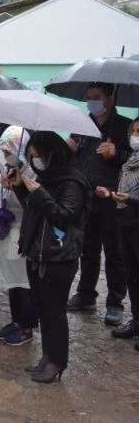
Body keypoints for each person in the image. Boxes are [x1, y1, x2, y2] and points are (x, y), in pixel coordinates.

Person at [10, 131, 89, 383]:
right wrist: (21, 189)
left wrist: (39, 193)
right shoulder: (47, 178)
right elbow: (35, 211)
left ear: (52, 154)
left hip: (58, 256)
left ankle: (57, 361)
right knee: (42, 309)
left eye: (39, 156)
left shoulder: (73, 181)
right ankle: (47, 356)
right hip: (37, 254)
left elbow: (65, 215)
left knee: (54, 311)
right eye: (32, 156)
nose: (36, 161)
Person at [66, 83, 130, 326]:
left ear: (110, 99)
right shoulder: (82, 126)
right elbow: (71, 157)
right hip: (85, 196)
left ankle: (115, 302)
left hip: (113, 197)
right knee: (87, 249)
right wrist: (68, 150)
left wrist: (117, 153)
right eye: (89, 97)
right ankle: (85, 294)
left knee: (115, 252)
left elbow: (134, 161)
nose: (92, 101)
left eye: (97, 97)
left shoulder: (124, 127)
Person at [0, 126, 37, 346]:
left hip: (22, 230)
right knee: (13, 282)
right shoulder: (7, 168)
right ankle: (16, 321)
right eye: (3, 152)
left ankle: (28, 326)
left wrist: (15, 189)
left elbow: (31, 204)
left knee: (25, 282)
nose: (5, 156)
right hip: (6, 231)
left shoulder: (30, 172)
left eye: (8, 151)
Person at [99, 117, 139, 349]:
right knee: (132, 274)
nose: (135, 135)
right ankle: (136, 320)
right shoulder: (130, 161)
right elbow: (126, 189)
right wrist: (110, 193)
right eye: (133, 131)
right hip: (126, 221)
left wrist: (132, 199)